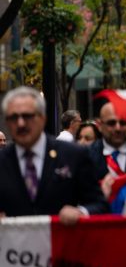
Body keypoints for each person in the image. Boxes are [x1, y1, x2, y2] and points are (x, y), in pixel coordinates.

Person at [0, 86, 108, 221]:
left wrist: (81, 212)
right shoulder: (2, 162)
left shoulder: (73, 155)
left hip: (62, 240)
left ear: (43, 118)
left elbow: (100, 205)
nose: (21, 123)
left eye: (28, 116)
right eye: (14, 117)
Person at [90, 101, 126, 179]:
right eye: (111, 123)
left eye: (123, 123)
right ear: (99, 125)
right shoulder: (87, 156)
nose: (118, 128)